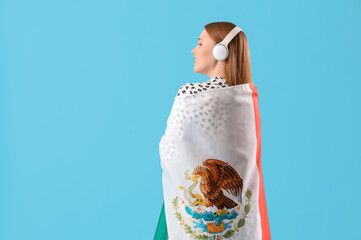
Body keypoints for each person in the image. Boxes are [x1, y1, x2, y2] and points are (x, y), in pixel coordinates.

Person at [155, 21, 271, 240]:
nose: (194, 50)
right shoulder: (247, 98)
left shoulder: (189, 94)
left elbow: (170, 152)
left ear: (221, 50)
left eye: (200, 43)